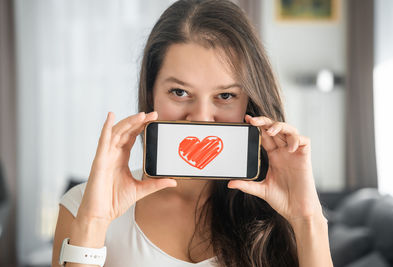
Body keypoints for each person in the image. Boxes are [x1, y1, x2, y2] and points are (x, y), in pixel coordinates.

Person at [52, 0, 333, 266]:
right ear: (151, 94)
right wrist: (94, 221)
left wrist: (307, 218)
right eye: (179, 92)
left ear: (250, 101)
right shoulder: (82, 206)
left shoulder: (285, 215)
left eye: (225, 95)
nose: (201, 118)